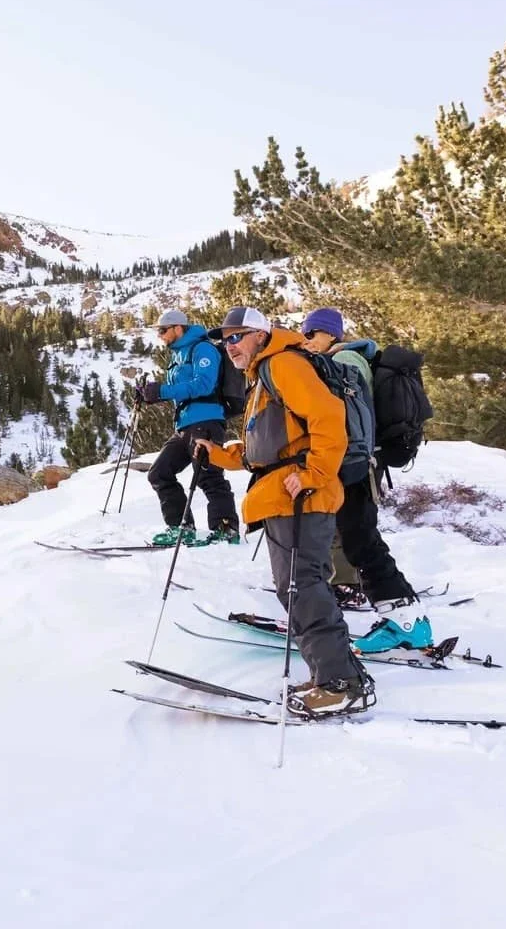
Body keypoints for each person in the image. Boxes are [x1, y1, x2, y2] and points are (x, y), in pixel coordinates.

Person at [192, 306, 374, 717]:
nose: (229, 346)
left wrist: (313, 472)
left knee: (301, 586)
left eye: (236, 336)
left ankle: (339, 683)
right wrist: (219, 455)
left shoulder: (284, 365)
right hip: (284, 493)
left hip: (301, 495)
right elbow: (266, 452)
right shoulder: (263, 376)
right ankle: (336, 674)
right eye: (225, 340)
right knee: (298, 586)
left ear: (259, 334)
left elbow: (329, 417)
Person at [299, 307, 432, 653]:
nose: (306, 339)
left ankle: (405, 620)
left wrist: (344, 460)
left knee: (361, 540)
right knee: (357, 538)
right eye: (305, 333)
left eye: (312, 333)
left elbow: (350, 416)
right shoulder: (351, 359)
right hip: (356, 462)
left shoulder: (346, 360)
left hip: (354, 463)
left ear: (331, 334)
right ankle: (408, 619)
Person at [135, 308, 240, 547]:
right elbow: (179, 390)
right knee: (159, 473)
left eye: (163, 330)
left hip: (206, 420)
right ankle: (181, 528)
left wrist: (161, 391)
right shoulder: (177, 356)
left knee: (208, 475)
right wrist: (149, 394)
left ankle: (225, 528)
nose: (160, 335)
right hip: (185, 424)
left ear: (178, 327)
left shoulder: (202, 349)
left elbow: (203, 384)